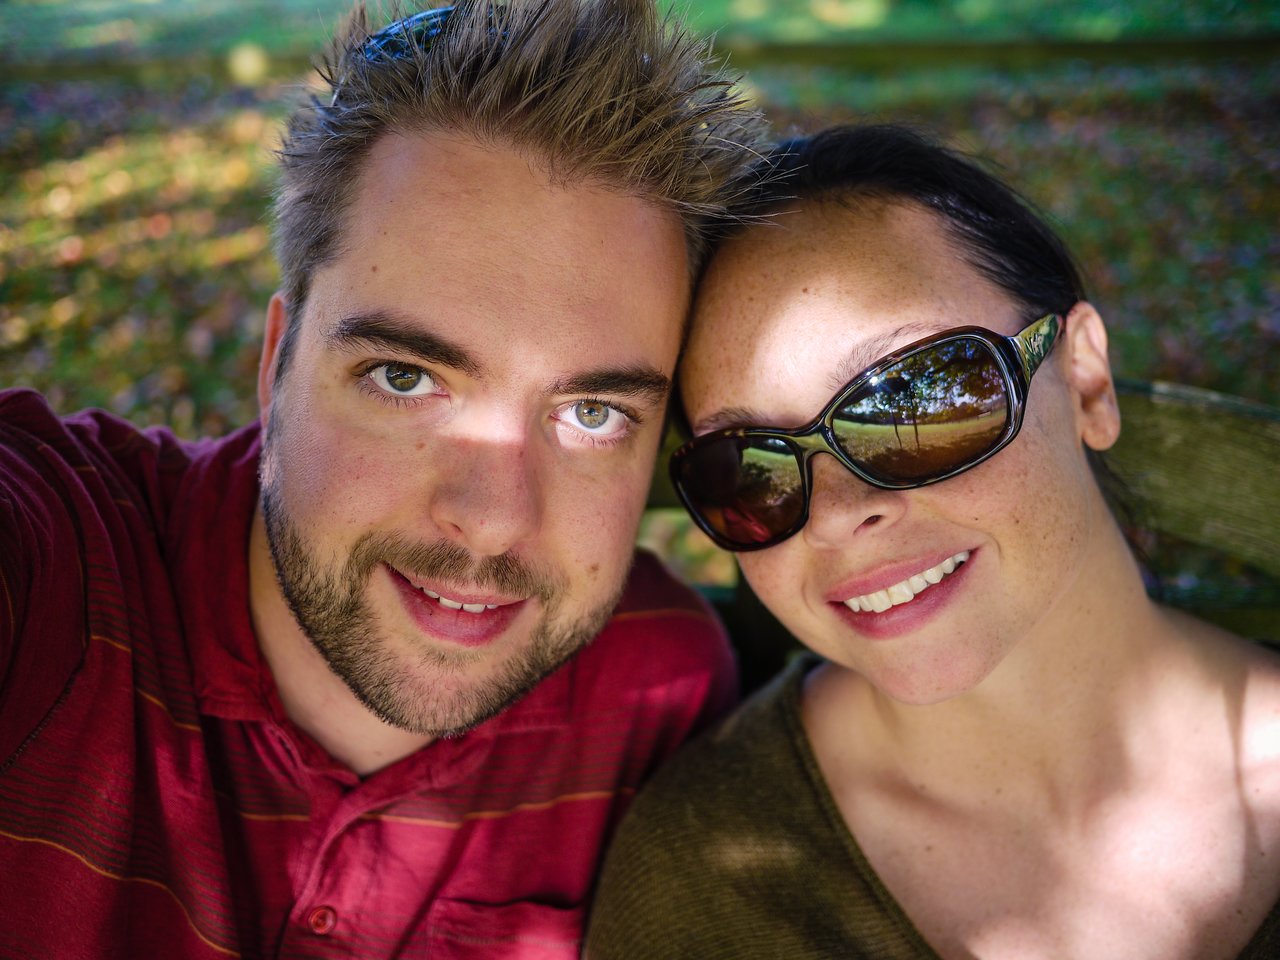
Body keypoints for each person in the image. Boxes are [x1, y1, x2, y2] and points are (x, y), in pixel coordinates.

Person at [0, 2, 768, 956]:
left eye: (592, 414)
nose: (491, 523)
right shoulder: (57, 584)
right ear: (277, 362)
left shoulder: (657, 686)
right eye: (404, 378)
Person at [586, 124, 1280, 959]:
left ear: (1086, 382)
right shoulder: (706, 880)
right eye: (750, 468)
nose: (841, 514)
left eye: (913, 404)